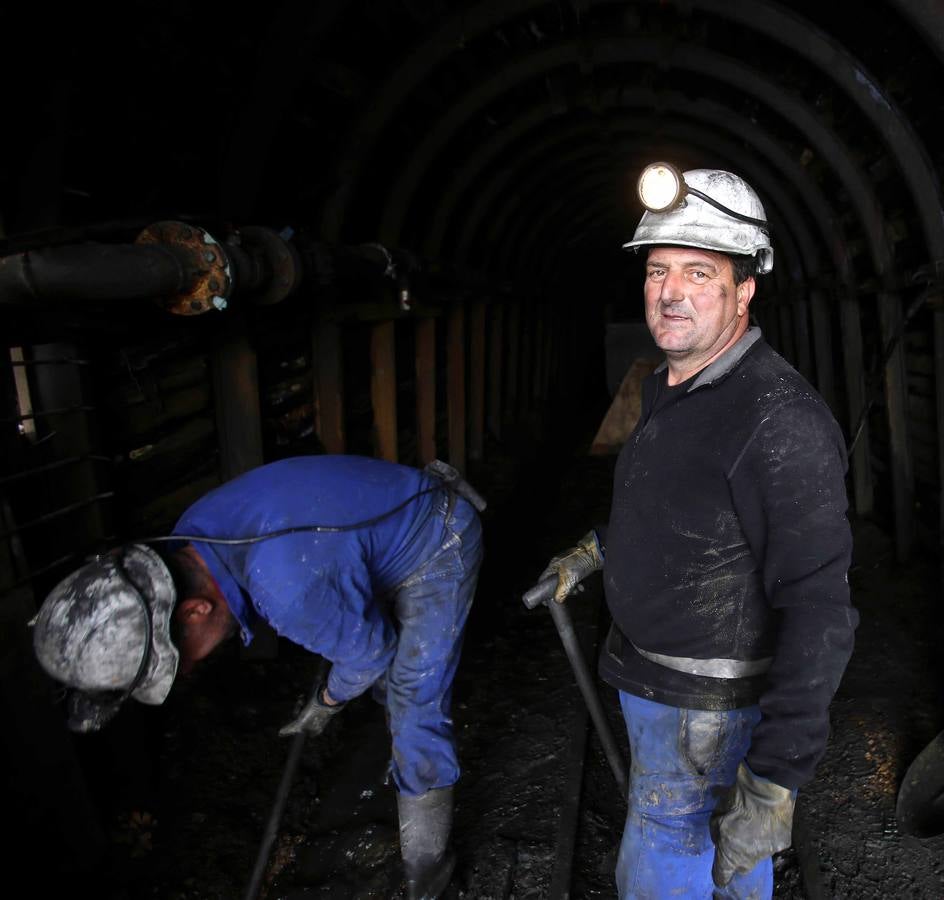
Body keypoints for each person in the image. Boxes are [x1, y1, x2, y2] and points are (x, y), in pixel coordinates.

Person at [540, 165, 857, 897]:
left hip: (706, 714)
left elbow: (820, 610)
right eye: (658, 270)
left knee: (669, 866)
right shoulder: (669, 382)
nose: (670, 292)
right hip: (655, 684)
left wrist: (775, 780)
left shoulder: (779, 422)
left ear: (745, 289)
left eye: (699, 272)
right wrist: (596, 551)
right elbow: (681, 511)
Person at [30, 454, 484, 900]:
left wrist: (326, 701)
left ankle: (428, 873)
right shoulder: (195, 533)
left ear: (195, 609)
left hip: (436, 539)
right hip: (379, 527)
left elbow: (372, 652)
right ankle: (400, 765)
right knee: (379, 670)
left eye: (179, 658)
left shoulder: (285, 588)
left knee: (412, 700)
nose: (187, 668)